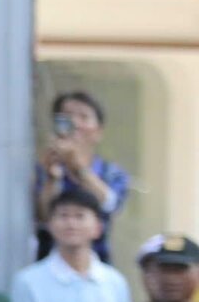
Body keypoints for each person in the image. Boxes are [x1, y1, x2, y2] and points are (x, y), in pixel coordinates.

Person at [33, 91, 130, 263]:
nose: (75, 124)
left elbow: (111, 204)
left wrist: (79, 169)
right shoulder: (44, 167)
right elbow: (44, 215)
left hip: (97, 263)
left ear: (98, 132)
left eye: (84, 117)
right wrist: (52, 178)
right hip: (49, 261)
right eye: (67, 117)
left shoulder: (111, 172)